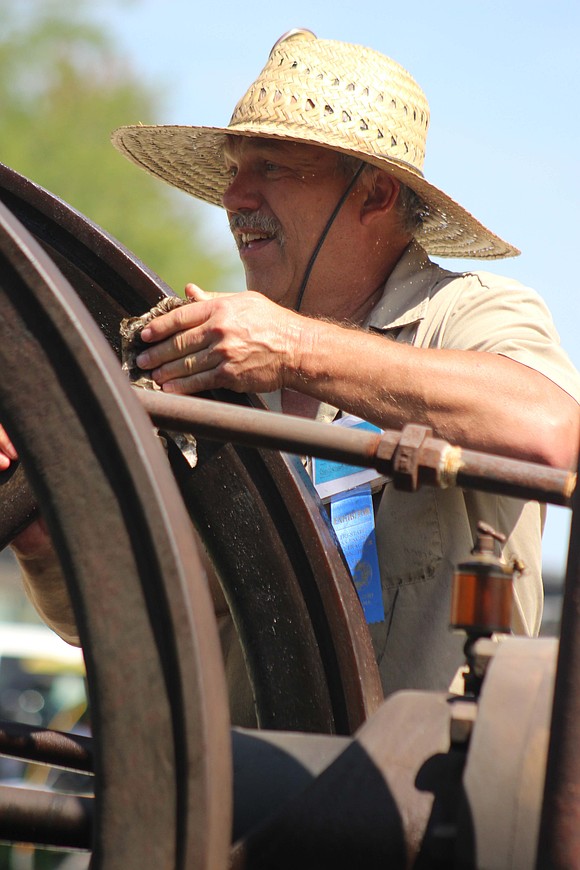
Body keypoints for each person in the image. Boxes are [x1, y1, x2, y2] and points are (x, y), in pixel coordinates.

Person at [2, 30, 578, 712]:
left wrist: (296, 350)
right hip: (246, 806)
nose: (234, 196)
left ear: (375, 194)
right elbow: (120, 613)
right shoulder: (212, 364)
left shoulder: (468, 319)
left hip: (425, 801)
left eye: (271, 167)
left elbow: (549, 432)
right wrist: (38, 526)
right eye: (234, 168)